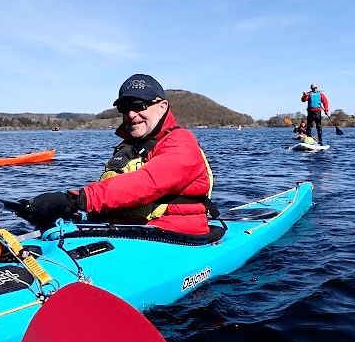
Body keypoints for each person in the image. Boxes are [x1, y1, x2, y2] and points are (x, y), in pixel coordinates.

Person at [21, 74, 214, 235]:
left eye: (139, 105)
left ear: (162, 106)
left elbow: (148, 182)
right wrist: (65, 213)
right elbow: (116, 196)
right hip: (127, 233)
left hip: (174, 238)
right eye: (124, 107)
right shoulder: (128, 147)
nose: (131, 114)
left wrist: (76, 200)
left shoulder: (181, 142)